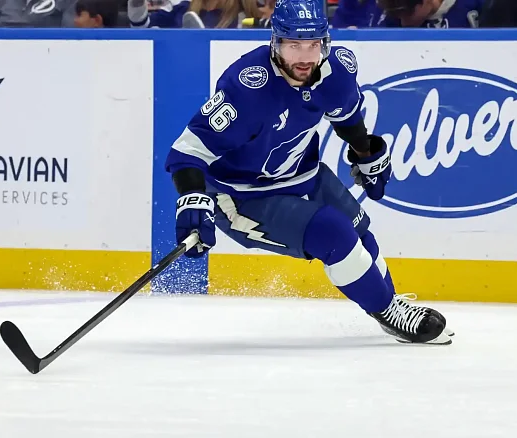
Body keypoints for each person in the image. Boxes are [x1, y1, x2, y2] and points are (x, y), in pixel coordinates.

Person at [163, 0, 454, 344]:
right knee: (334, 232)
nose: (304, 57)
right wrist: (193, 197)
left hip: (304, 173)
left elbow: (346, 117)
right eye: (293, 45)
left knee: (359, 231)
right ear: (275, 42)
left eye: (313, 45)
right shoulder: (247, 87)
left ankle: (388, 307)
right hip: (243, 196)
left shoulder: (337, 70)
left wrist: (365, 154)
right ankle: (389, 309)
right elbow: (187, 151)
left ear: (325, 42)